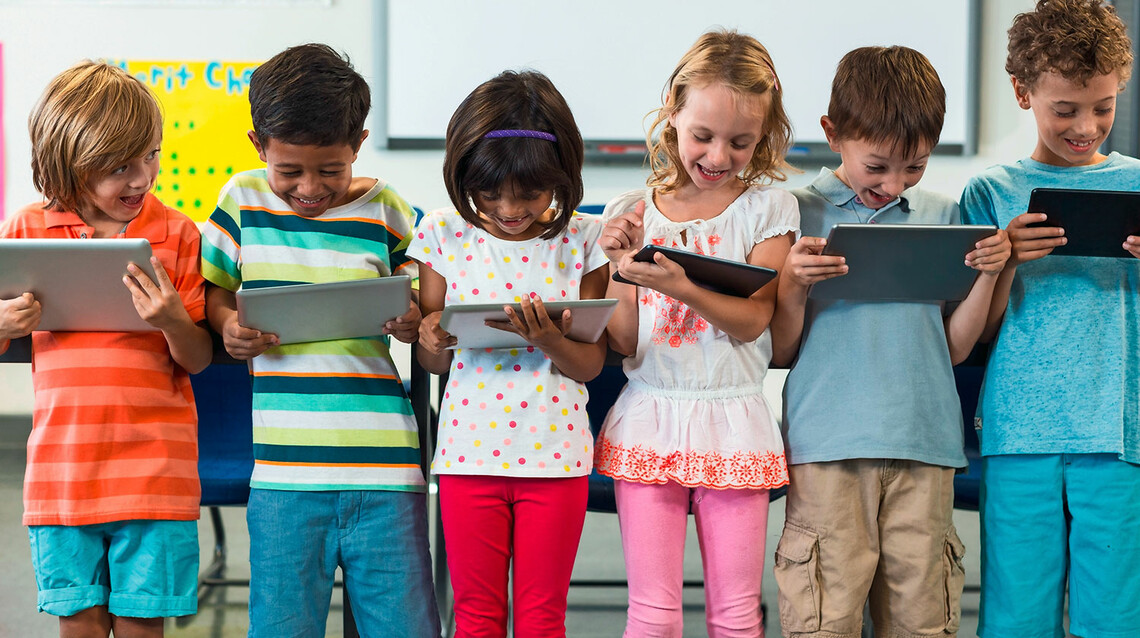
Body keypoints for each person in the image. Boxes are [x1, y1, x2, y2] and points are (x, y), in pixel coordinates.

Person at [769, 46, 1011, 638]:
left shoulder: (944, 215)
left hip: (924, 445)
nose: (894, 183)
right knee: (825, 617)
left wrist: (987, 275)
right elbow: (779, 350)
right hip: (827, 447)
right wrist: (793, 284)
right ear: (832, 133)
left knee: (922, 619)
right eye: (877, 166)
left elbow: (953, 349)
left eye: (915, 168)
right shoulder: (791, 214)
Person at [198, 43, 439, 637]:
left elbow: (421, 291)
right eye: (290, 171)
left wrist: (412, 314)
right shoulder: (240, 203)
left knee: (403, 625)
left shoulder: (387, 210)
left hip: (386, 468)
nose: (310, 188)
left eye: (331, 170)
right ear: (258, 145)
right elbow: (215, 294)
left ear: (358, 141)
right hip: (285, 475)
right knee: (282, 626)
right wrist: (228, 326)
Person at [594, 30, 798, 636]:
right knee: (652, 614)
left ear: (764, 135)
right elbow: (626, 340)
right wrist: (621, 271)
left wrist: (678, 284)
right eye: (701, 136)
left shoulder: (767, 209)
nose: (717, 155)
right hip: (650, 414)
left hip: (733, 417)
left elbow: (754, 320)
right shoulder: (631, 209)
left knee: (736, 613)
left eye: (740, 141)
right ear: (673, 117)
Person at [0, 61, 212, 638]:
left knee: (145, 626)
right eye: (121, 166)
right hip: (63, 471)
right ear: (70, 163)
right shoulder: (25, 229)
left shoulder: (178, 234)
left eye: (151, 156)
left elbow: (197, 358)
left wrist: (172, 321)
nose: (142, 177)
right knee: (80, 623)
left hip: (156, 472)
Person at [959, 1, 1140, 635]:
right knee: (1016, 616)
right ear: (1022, 92)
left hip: (1120, 435)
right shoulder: (988, 192)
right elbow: (974, 333)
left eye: (1103, 106)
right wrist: (1005, 261)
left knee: (1114, 617)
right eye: (1065, 109)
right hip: (1019, 431)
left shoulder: (1138, 186)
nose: (1086, 126)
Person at [411, 69, 608, 638]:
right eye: (489, 193)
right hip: (468, 454)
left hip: (556, 454)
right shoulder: (445, 235)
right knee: (476, 617)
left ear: (561, 177)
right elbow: (436, 362)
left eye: (529, 193)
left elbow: (590, 365)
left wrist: (546, 338)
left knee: (543, 619)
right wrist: (430, 339)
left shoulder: (585, 240)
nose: (507, 208)